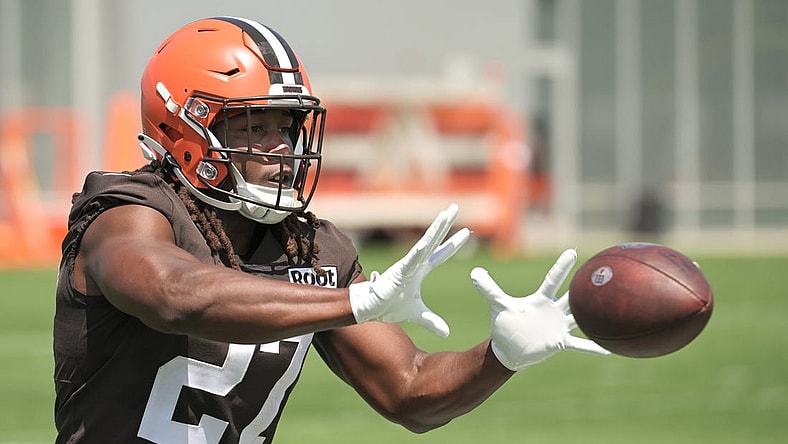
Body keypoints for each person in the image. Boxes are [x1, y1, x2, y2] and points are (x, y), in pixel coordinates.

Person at [53, 16, 609, 444]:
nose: (281, 149)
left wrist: (500, 357)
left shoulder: (312, 245)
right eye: (253, 125)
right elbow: (178, 296)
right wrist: (358, 301)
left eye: (287, 126)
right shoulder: (129, 212)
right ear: (185, 129)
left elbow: (409, 388)